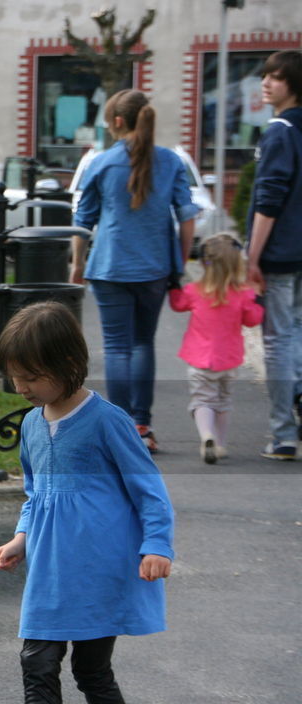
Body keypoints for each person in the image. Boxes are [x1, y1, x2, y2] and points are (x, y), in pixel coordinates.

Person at [0, 302, 173, 704]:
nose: (22, 387)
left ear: (69, 364)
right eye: (15, 377)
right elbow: (35, 493)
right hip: (50, 569)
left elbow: (149, 490)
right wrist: (21, 538)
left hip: (98, 569)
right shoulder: (31, 426)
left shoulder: (107, 422)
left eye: (33, 377)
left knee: (92, 671)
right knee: (37, 662)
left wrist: (158, 545)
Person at [71, 89, 199, 454]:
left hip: (110, 267)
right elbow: (187, 217)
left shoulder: (101, 163)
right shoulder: (171, 161)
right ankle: (143, 426)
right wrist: (181, 261)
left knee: (116, 348)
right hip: (155, 268)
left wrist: (78, 264)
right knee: (144, 342)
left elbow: (83, 222)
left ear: (117, 121)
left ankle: (121, 430)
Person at [246, 49, 302, 461]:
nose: (266, 83)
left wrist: (252, 257)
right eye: (265, 75)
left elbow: (269, 200)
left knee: (280, 342)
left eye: (276, 77)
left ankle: (284, 433)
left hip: (282, 254)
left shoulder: (280, 130)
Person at [168, 233, 264, 463]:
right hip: (229, 360)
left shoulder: (194, 291)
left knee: (202, 400)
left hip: (199, 360)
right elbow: (253, 320)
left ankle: (206, 435)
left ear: (204, 263)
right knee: (223, 402)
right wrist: (259, 298)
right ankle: (220, 443)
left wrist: (173, 285)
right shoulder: (243, 294)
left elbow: (178, 304)